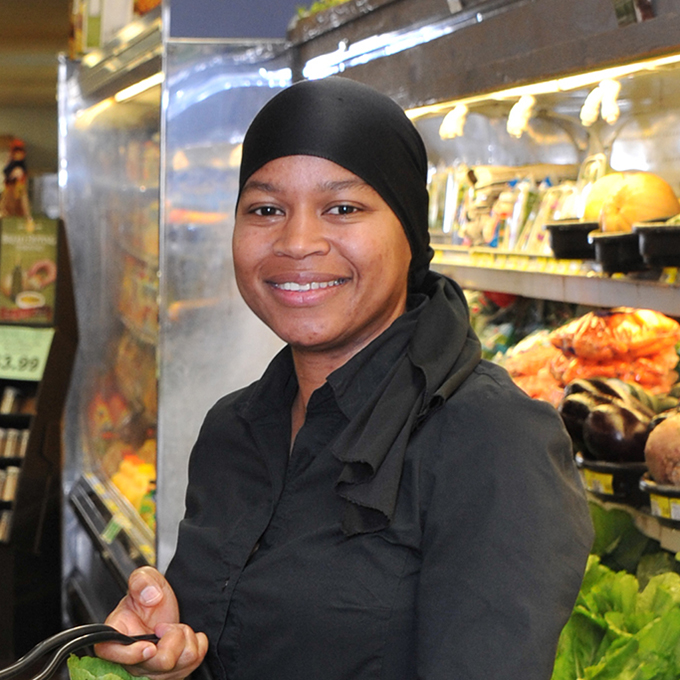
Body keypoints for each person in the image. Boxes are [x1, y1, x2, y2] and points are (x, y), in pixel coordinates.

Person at [96, 76, 594, 680]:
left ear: (410, 232)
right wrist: (171, 653)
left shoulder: (494, 442)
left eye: (343, 208)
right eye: (266, 209)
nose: (298, 241)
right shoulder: (234, 428)